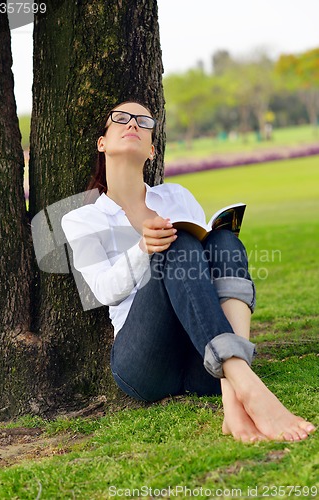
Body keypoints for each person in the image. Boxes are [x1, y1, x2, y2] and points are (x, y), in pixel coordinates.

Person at [62, 100, 315, 443]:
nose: (132, 124)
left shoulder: (176, 197)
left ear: (151, 150)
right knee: (176, 242)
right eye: (120, 118)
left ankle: (232, 384)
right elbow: (103, 291)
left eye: (143, 121)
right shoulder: (81, 219)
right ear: (102, 142)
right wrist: (143, 249)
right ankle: (249, 390)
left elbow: (208, 260)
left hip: (203, 360)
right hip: (145, 362)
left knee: (224, 241)